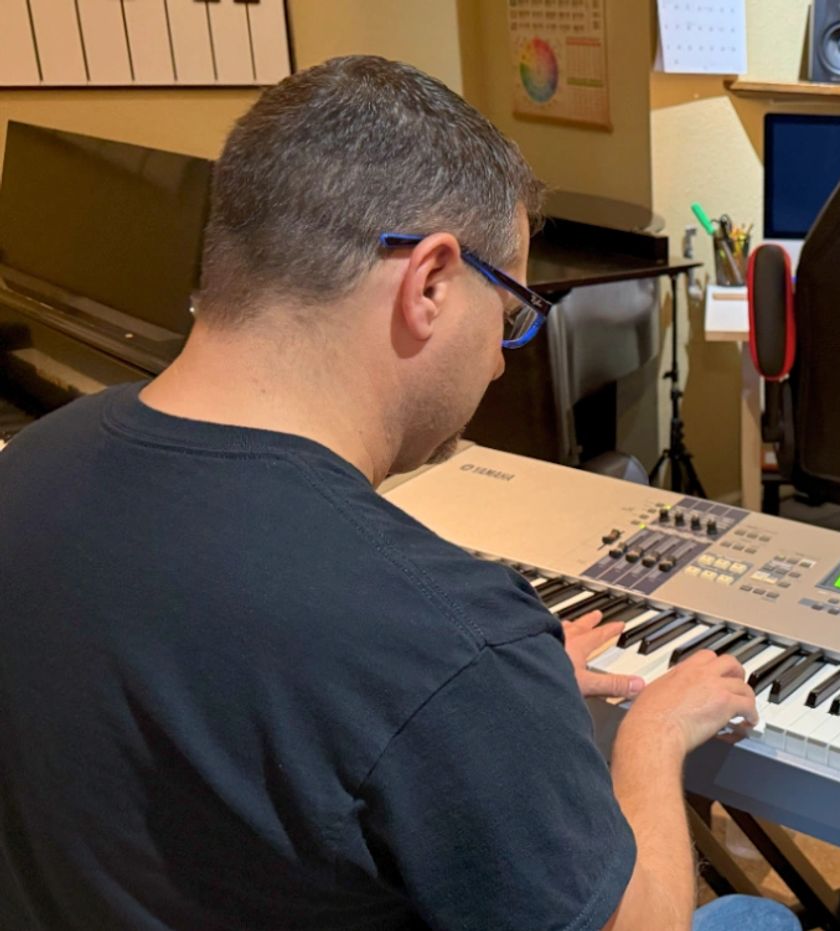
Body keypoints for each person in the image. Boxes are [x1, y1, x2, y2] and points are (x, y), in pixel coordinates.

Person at [0, 57, 797, 931]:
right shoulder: (442, 634)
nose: (500, 357)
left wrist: (498, 709)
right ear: (430, 283)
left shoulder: (30, 466)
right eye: (511, 315)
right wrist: (653, 739)